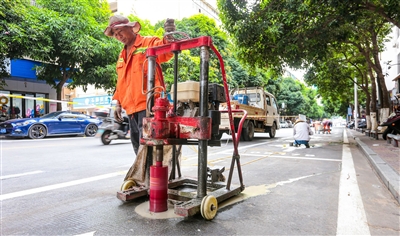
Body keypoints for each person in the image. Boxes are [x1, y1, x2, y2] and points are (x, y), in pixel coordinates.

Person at [104, 15, 174, 155]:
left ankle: (152, 176)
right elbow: (121, 81)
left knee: (149, 147)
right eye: (116, 34)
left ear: (131, 28)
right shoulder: (122, 55)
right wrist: (118, 104)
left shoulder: (148, 43)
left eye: (121, 31)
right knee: (138, 146)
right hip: (130, 109)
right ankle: (145, 175)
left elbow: (167, 49)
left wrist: (169, 36)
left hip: (148, 106)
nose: (119, 36)